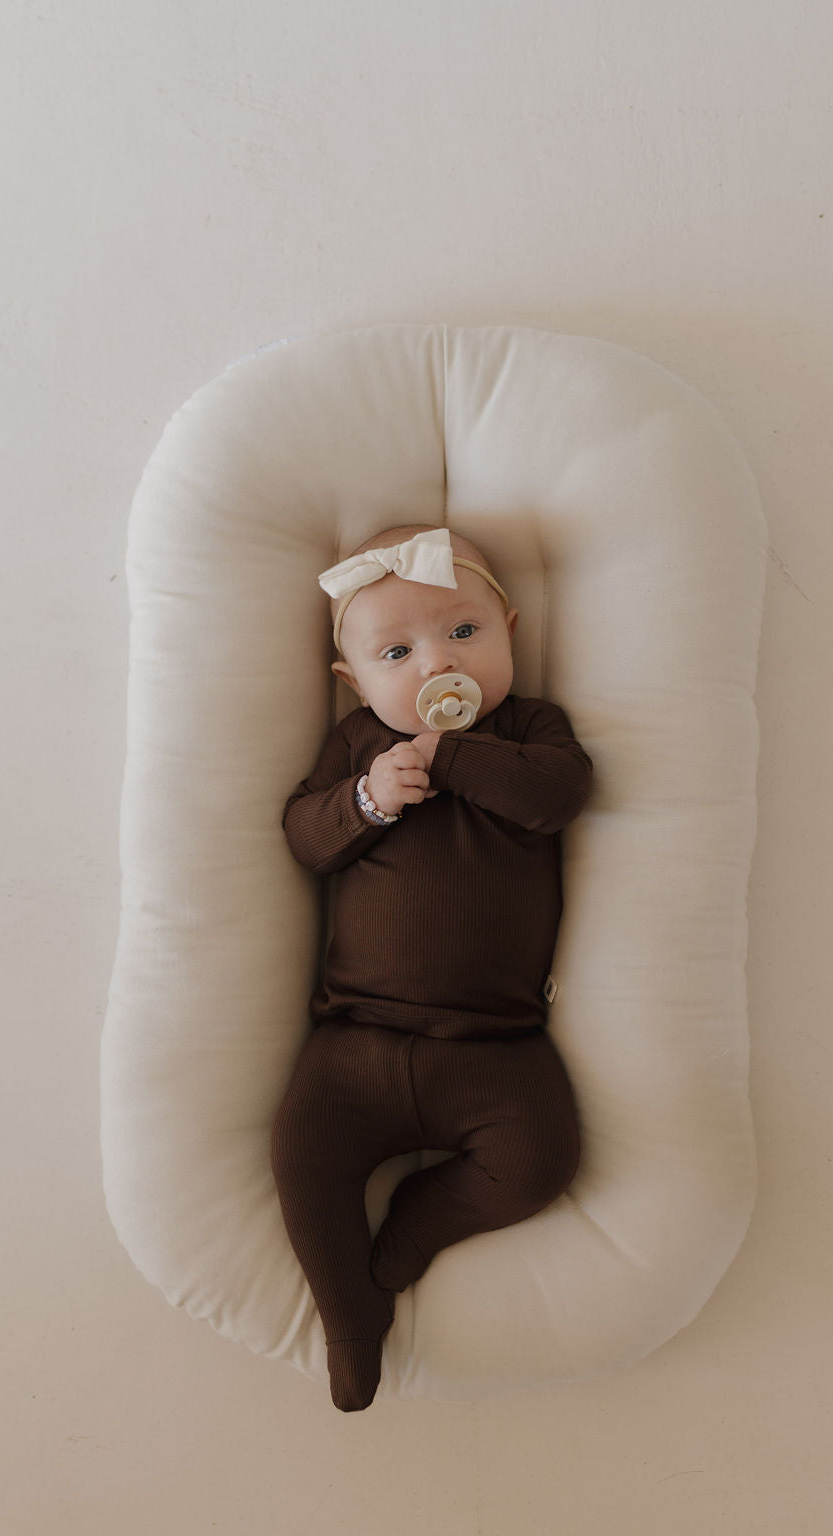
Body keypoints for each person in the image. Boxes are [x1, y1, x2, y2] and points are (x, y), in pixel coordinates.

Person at [270, 524, 592, 1411]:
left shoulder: (529, 730)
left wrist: (457, 754)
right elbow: (305, 838)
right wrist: (369, 800)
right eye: (397, 652)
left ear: (511, 631)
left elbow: (561, 795)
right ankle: (351, 1316)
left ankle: (419, 1221)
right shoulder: (359, 747)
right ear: (355, 682)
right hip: (357, 1038)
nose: (433, 669)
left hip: (497, 1048)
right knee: (302, 1154)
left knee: (539, 1160)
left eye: (463, 635)